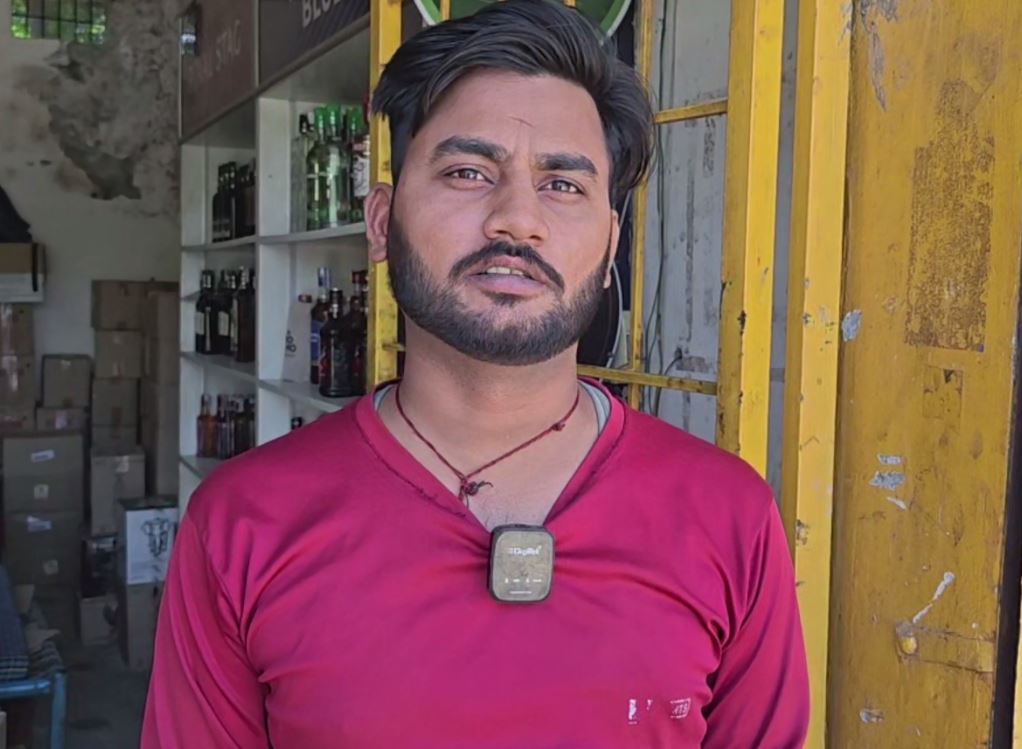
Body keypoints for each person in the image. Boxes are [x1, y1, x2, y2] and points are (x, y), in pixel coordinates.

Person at [142, 1, 809, 746]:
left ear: (609, 243)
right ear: (381, 221)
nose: (517, 219)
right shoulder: (242, 525)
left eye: (563, 185)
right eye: (468, 172)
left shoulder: (730, 519)